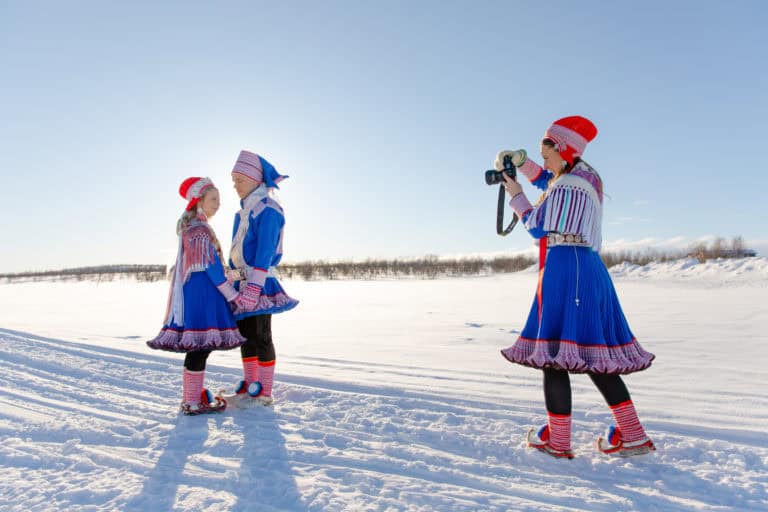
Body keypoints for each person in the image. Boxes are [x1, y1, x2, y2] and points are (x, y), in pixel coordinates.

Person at [497, 116, 656, 458]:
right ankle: (633, 435)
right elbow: (548, 180)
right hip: (589, 269)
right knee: (597, 356)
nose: (546, 164)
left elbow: (537, 225)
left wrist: (514, 192)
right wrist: (523, 165)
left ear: (564, 150)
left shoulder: (567, 186)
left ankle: (558, 441)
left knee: (554, 356)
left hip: (567, 270)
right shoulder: (586, 176)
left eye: (548, 155)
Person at [147, 177, 245, 415]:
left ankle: (192, 397)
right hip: (203, 295)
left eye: (219, 200)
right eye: (213, 199)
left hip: (196, 293)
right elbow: (211, 268)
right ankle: (191, 401)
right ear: (198, 201)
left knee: (198, 347)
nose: (217, 204)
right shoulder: (200, 230)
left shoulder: (190, 228)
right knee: (200, 347)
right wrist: (232, 295)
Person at [223, 150, 299, 407]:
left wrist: (254, 287)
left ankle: (264, 392)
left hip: (261, 283)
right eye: (233, 180)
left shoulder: (268, 209)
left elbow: (265, 251)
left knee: (261, 335)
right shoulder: (241, 213)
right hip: (241, 282)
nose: (235, 185)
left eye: (239, 180)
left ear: (256, 180)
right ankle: (249, 386)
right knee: (245, 336)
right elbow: (236, 252)